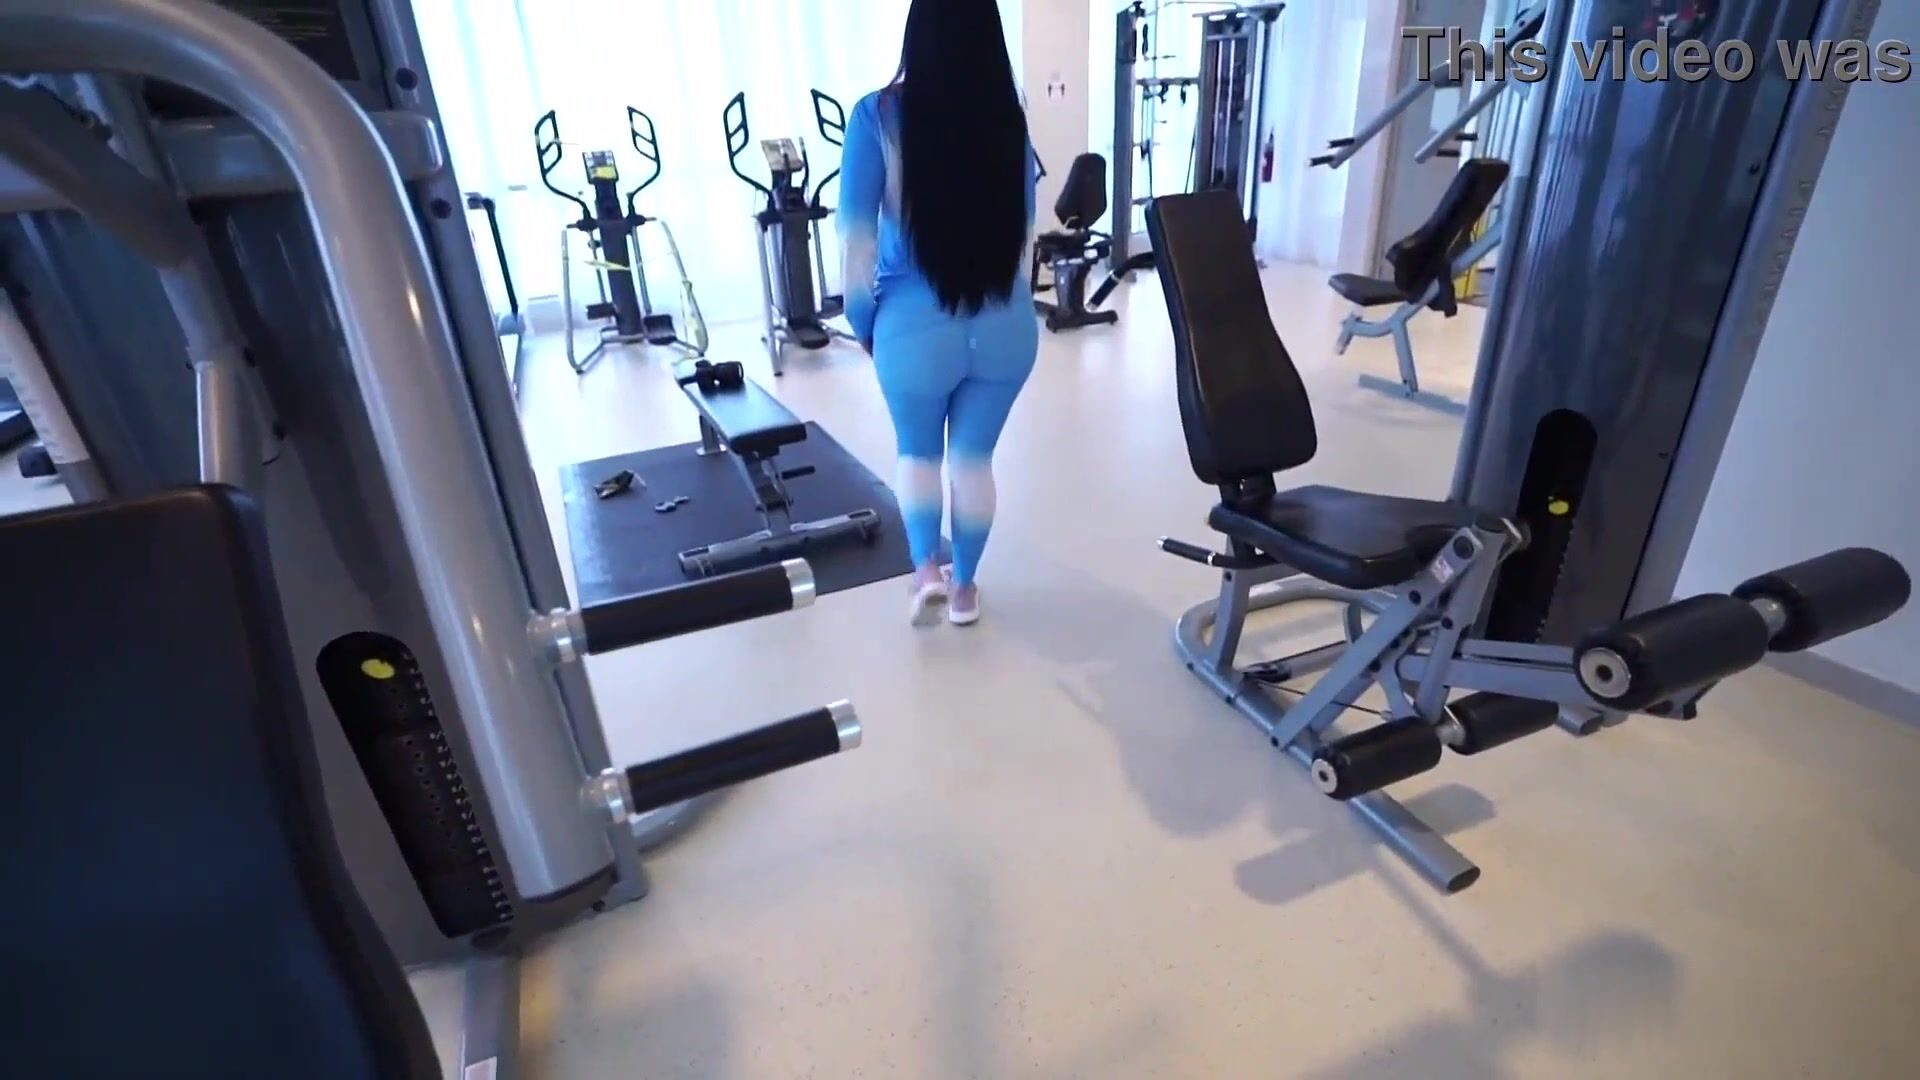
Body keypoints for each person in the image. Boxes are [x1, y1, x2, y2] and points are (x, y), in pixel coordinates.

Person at [838, 0, 1039, 628]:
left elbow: (855, 242)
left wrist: (863, 322)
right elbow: (1025, 234)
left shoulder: (876, 116)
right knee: (974, 460)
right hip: (1006, 323)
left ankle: (927, 569)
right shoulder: (1010, 116)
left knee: (918, 455)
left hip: (913, 328)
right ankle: (966, 589)